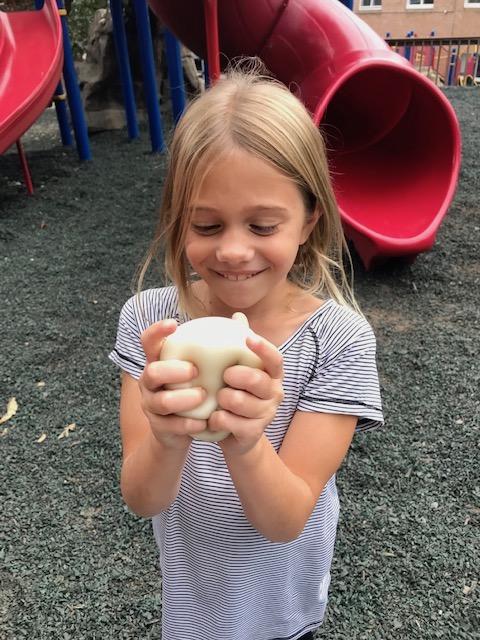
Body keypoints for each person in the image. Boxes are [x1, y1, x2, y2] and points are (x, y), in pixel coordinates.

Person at [109, 61, 383, 640]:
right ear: (178, 220)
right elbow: (142, 498)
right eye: (207, 226)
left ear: (309, 219)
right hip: (191, 600)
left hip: (283, 605)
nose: (234, 251)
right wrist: (166, 435)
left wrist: (245, 438)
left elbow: (285, 520)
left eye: (262, 226)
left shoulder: (340, 341)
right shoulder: (150, 322)